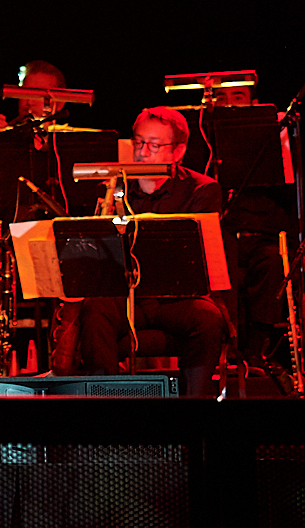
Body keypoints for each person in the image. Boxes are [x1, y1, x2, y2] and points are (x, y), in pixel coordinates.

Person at [71, 106, 229, 394]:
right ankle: (107, 403)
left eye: (154, 145)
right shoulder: (114, 186)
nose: (143, 152)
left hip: (177, 300)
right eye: (139, 142)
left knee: (208, 319)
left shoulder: (201, 190)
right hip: (129, 299)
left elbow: (195, 259)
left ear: (178, 151)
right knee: (95, 311)